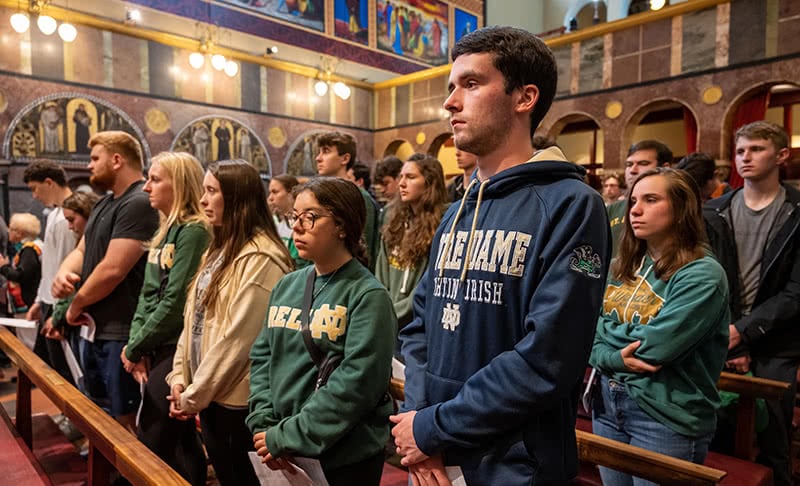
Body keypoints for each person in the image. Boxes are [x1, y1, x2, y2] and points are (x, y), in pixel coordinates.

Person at [391, 27, 610, 485]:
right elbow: (418, 327)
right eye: (451, 88)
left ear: (524, 97)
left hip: (515, 465)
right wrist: (420, 424)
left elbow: (548, 357)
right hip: (435, 450)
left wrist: (433, 427)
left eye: (471, 84)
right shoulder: (455, 213)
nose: (451, 102)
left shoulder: (572, 205)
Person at [247, 177, 395, 486]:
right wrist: (264, 423)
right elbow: (263, 357)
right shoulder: (288, 284)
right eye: (295, 216)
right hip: (281, 442)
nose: (297, 227)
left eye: (310, 217)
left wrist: (290, 434)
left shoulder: (368, 295)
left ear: (342, 225)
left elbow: (357, 384)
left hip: (342, 456)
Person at [590, 168, 730, 485]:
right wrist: (608, 353)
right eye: (634, 200)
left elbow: (656, 347)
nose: (635, 209)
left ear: (682, 209)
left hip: (664, 413)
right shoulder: (620, 265)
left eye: (651, 200)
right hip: (607, 404)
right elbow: (585, 326)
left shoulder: (702, 274)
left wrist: (602, 349)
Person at [166, 159, 292, 486]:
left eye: (212, 191)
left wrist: (193, 396)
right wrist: (180, 375)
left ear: (237, 198)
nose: (203, 200)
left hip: (237, 401)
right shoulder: (219, 248)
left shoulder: (261, 258)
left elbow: (238, 342)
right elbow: (192, 318)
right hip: (209, 392)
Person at [703, 121, 800, 486]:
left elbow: (796, 291)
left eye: (756, 149)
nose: (745, 157)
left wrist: (743, 332)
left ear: (781, 155)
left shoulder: (796, 212)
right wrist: (727, 330)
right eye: (740, 150)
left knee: (774, 440)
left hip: (777, 341)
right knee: (719, 435)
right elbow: (709, 278)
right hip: (721, 332)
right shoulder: (716, 210)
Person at [51, 130, 160, 431]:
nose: (89, 165)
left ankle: (131, 478)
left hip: (121, 330)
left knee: (128, 421)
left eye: (94, 158)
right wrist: (63, 273)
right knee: (104, 413)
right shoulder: (104, 203)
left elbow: (113, 269)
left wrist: (75, 304)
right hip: (97, 329)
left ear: (116, 160)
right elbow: (83, 249)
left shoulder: (138, 201)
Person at [120, 152, 209, 486]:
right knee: (182, 438)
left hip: (179, 345)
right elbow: (147, 293)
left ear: (181, 185)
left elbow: (176, 303)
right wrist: (136, 344)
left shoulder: (195, 230)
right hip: (157, 343)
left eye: (156, 179)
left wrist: (136, 345)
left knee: (153, 438)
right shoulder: (164, 230)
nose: (146, 188)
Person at [376, 156, 447, 340]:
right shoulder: (393, 220)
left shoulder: (443, 224)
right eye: (401, 177)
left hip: (417, 326)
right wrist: (381, 309)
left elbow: (430, 283)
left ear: (429, 182)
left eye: (411, 177)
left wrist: (392, 314)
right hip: (386, 320)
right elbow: (381, 272)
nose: (402, 183)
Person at [22, 161, 76, 381]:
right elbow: (49, 266)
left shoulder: (67, 218)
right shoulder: (55, 214)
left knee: (65, 371)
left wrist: (57, 313)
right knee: (53, 368)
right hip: (49, 300)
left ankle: (71, 416)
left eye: (35, 188)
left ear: (49, 182)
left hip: (59, 303)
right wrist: (38, 300)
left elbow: (64, 267)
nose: (34, 196)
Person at [314, 132, 380, 271]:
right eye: (319, 152)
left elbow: (364, 250)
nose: (318, 158)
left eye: (326, 151)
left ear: (345, 158)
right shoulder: (320, 195)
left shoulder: (360, 198)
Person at [607, 140, 672, 257]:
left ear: (665, 168)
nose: (633, 170)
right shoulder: (611, 210)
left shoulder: (673, 208)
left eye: (643, 163)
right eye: (629, 165)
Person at [1, 213, 42, 349]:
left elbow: (21, 275)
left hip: (27, 303)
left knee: (28, 343)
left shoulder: (29, 249)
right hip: (30, 301)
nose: (8, 231)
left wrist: (3, 267)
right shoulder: (34, 246)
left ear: (20, 233)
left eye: (11, 228)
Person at [268, 174, 308, 268]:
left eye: (275, 192)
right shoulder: (276, 223)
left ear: (290, 194)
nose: (270, 198)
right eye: (270, 192)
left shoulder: (301, 226)